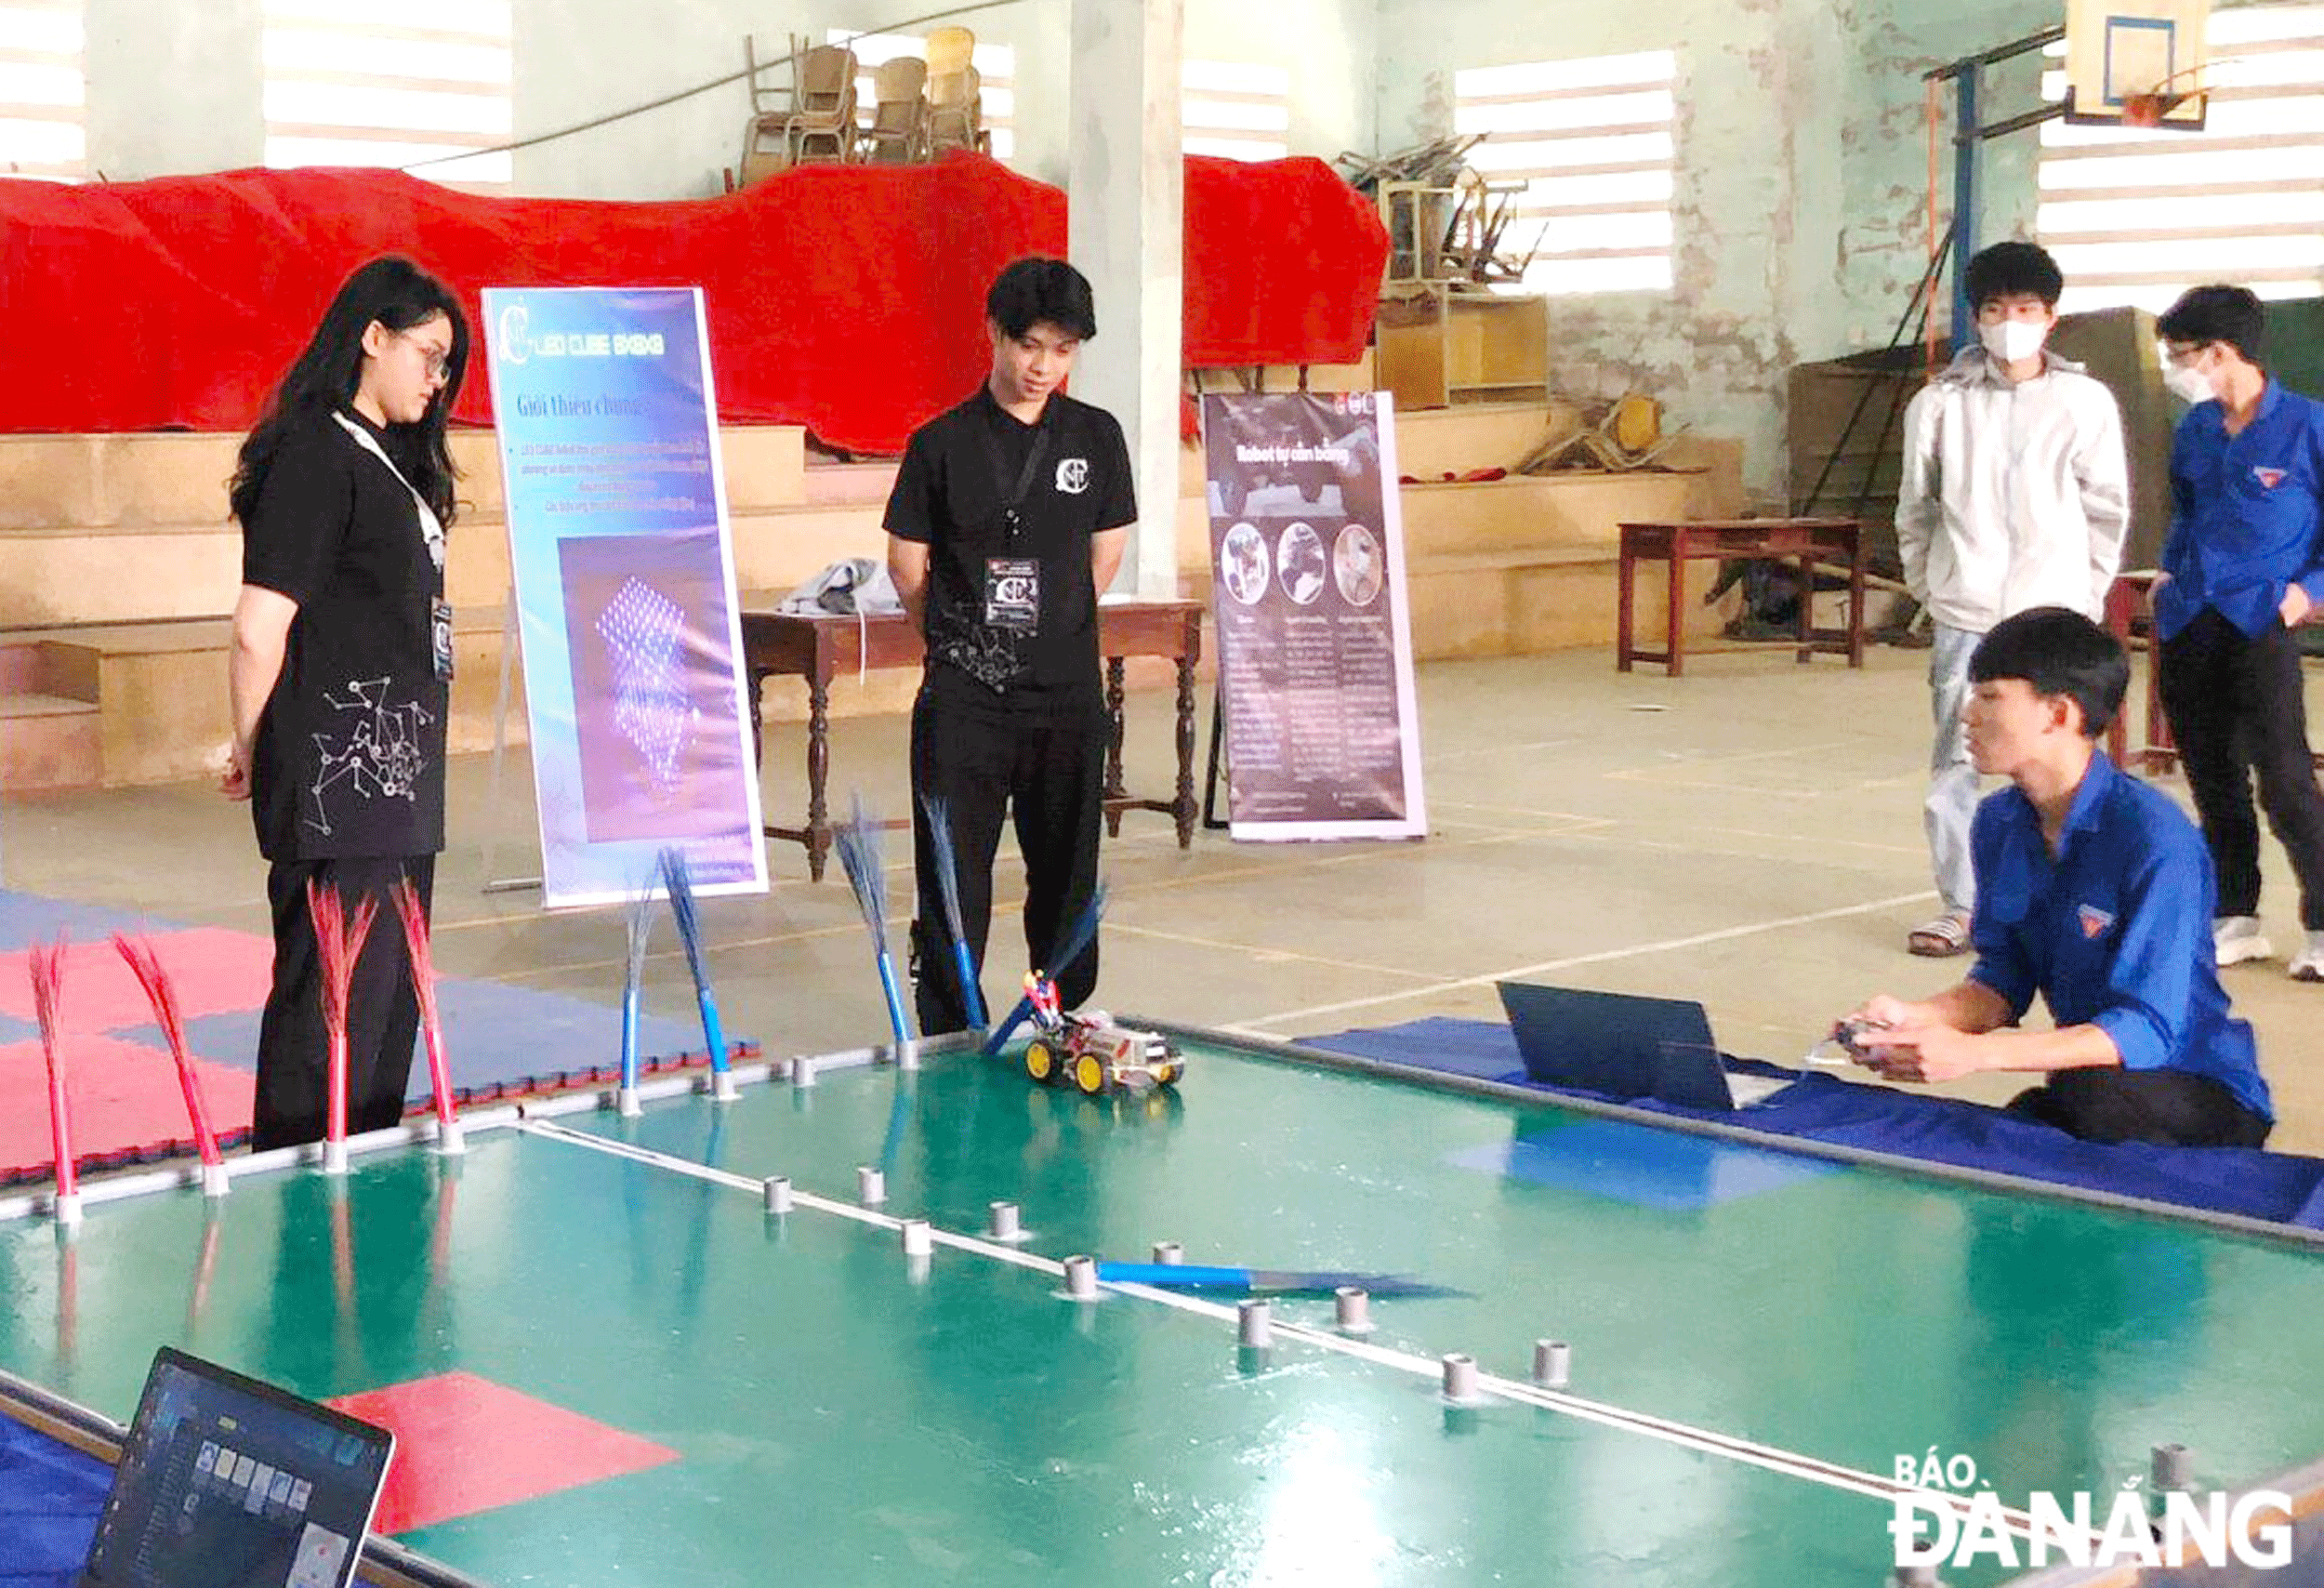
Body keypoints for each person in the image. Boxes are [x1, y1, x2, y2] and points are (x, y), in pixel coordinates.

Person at [1842, 608, 2272, 1149]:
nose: (1967, 715)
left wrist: (1976, 1054)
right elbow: (2004, 977)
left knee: (2083, 1104)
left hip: (2201, 1091)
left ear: (2059, 712)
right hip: (2091, 1085)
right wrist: (1917, 1018)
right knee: (2043, 1118)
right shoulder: (1998, 822)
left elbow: (2150, 1029)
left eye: (1989, 697)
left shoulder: (2156, 839)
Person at [222, 256, 469, 1149]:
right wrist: (254, 749)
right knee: (326, 1015)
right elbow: (260, 627)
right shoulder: (315, 453)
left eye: (448, 366)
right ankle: (295, 1197)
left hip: (398, 789)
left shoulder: (386, 463)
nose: (437, 382)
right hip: (336, 784)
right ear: (371, 337)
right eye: (428, 355)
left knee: (385, 1020)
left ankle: (361, 1199)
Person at [886, 258, 1136, 1034]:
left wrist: (1054, 628)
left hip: (1065, 697)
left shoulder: (1096, 436)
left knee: (1066, 867)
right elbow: (906, 564)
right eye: (1031, 345)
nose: (1043, 368)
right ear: (994, 333)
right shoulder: (940, 444)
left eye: (1063, 351)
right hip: (965, 703)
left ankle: (1057, 1011)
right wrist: (963, 644)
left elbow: (1108, 549)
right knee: (954, 869)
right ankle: (953, 1023)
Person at [1895, 240, 2130, 959]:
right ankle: (1962, 908)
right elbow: (1916, 510)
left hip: (2053, 615)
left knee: (2064, 761)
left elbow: (2106, 510)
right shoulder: (1938, 404)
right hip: (1965, 615)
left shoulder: (2083, 401)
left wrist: (2081, 605)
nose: (2009, 322)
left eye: (2024, 309)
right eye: (1995, 309)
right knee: (1961, 762)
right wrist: (1934, 593)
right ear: (1976, 317)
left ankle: (2080, 898)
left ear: (2050, 318)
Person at [2150, 285, 2324, 980]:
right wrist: (2169, 573)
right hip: (2192, 620)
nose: (2176, 369)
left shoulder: (2308, 427)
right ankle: (2237, 916)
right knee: (2212, 778)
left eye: (2181, 356)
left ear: (2221, 353)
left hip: (2260, 622)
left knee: (2284, 781)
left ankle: (2321, 922)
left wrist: (2304, 595)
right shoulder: (2194, 430)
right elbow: (2187, 514)